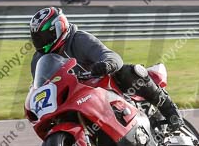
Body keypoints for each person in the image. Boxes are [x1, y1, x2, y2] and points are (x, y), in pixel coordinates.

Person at [29, 7, 183, 129]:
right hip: (74, 98)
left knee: (129, 72)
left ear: (59, 27)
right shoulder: (38, 60)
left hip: (103, 87)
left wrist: (106, 65)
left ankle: (171, 111)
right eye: (38, 39)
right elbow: (41, 87)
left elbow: (111, 56)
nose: (42, 42)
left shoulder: (79, 40)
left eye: (45, 37)